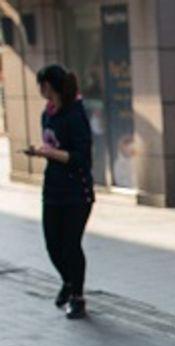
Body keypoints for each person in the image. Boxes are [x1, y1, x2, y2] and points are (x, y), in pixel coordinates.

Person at [25, 65, 94, 320]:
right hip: (53, 189)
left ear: (51, 86)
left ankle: (78, 297)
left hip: (77, 191)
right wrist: (40, 151)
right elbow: (51, 146)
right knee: (52, 244)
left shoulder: (74, 114)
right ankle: (68, 281)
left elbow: (82, 158)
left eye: (42, 84)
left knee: (71, 245)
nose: (40, 89)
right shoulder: (48, 114)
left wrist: (50, 153)